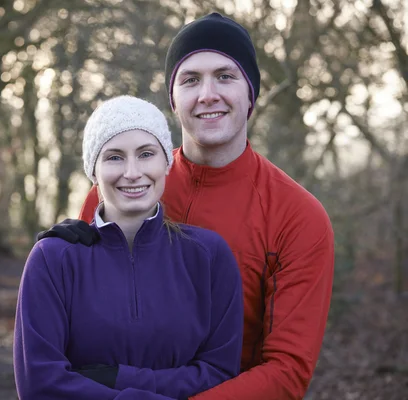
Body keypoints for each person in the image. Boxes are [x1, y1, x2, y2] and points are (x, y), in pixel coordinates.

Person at [38, 13, 335, 400]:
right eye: (190, 79)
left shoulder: (298, 217)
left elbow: (287, 373)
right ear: (172, 99)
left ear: (251, 94)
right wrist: (60, 259)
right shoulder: (116, 190)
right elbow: (78, 338)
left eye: (225, 76)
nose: (207, 94)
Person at [14, 95, 244, 400]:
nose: (132, 172)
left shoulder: (209, 255)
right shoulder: (53, 259)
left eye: (146, 153)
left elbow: (219, 374)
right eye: (114, 157)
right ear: (93, 171)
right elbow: (39, 384)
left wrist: (116, 379)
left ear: (166, 163)